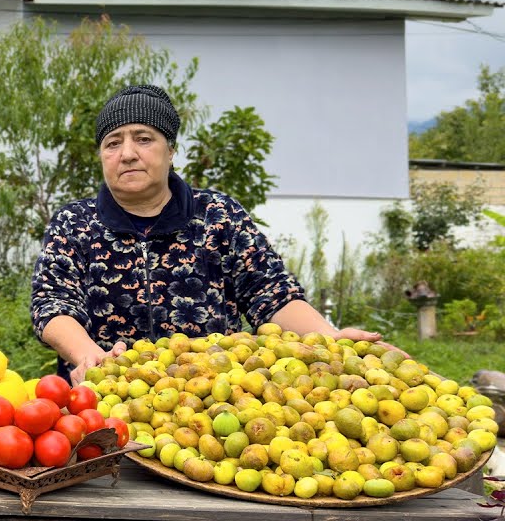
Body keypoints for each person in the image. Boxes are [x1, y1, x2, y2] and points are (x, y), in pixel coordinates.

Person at [30, 85, 389, 385]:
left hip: (213, 407)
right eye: (112, 143)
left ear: (171, 150)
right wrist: (88, 355)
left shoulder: (218, 216)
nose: (127, 154)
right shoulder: (75, 223)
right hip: (103, 401)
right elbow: (52, 304)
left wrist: (330, 338)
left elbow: (271, 294)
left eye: (143, 139)